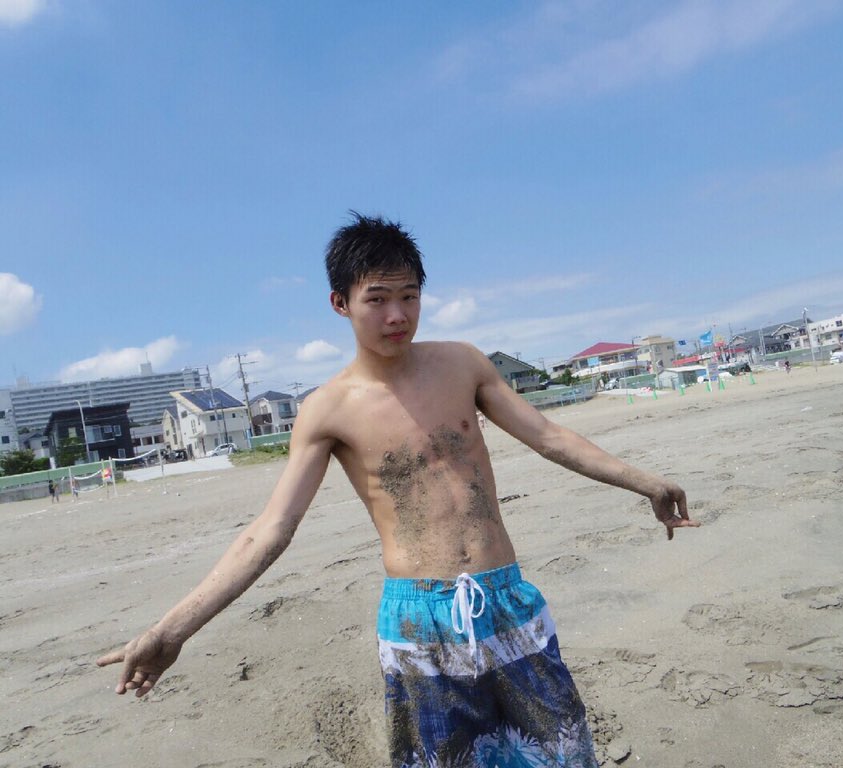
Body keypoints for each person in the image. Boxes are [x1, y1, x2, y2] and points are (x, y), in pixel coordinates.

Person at [97, 214, 698, 767]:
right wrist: (172, 629)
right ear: (340, 303)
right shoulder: (328, 409)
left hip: (505, 597)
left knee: (564, 752)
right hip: (418, 620)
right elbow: (272, 529)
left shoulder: (463, 364)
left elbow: (549, 436)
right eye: (377, 299)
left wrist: (644, 482)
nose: (397, 316)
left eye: (409, 297)